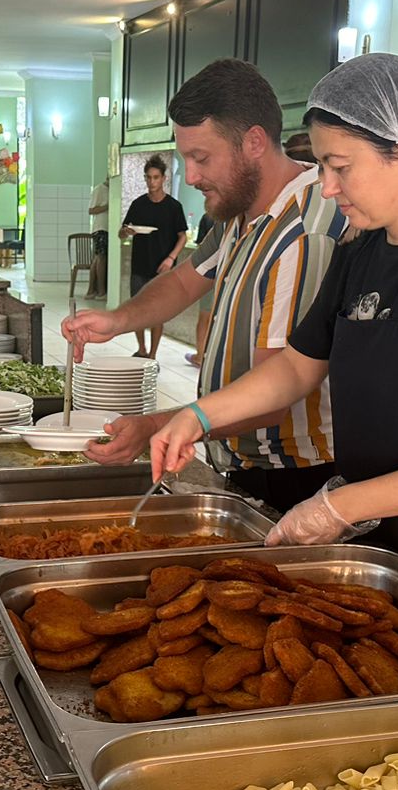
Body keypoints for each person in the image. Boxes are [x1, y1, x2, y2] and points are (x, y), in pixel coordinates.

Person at [151, 53, 398, 626]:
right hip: (386, 526)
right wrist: (197, 416)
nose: (326, 186)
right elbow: (297, 366)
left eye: (339, 165)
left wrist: (338, 506)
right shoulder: (363, 250)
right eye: (321, 165)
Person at [63, 58, 348, 511]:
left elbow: (274, 395)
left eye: (201, 158)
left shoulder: (303, 234)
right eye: (185, 159)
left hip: (293, 478)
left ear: (254, 142)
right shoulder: (241, 212)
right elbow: (182, 282)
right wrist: (116, 321)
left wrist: (158, 425)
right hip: (243, 461)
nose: (191, 176)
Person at [119, 155, 187, 358]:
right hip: (139, 265)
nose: (152, 182)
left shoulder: (173, 207)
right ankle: (141, 349)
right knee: (137, 310)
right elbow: (121, 233)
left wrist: (171, 258)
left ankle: (153, 355)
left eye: (156, 177)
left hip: (162, 268)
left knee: (158, 313)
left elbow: (182, 236)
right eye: (148, 177)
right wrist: (126, 232)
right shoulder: (138, 204)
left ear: (164, 178)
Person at [185, 212, 214, 367]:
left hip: (210, 275)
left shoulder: (209, 217)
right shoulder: (240, 217)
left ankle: (200, 356)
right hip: (233, 276)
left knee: (205, 316)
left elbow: (200, 248)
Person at [86, 176, 109, 298]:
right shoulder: (99, 189)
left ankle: (92, 290)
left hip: (107, 229)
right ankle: (100, 291)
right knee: (100, 258)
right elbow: (91, 210)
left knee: (98, 258)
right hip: (100, 228)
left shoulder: (112, 190)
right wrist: (108, 206)